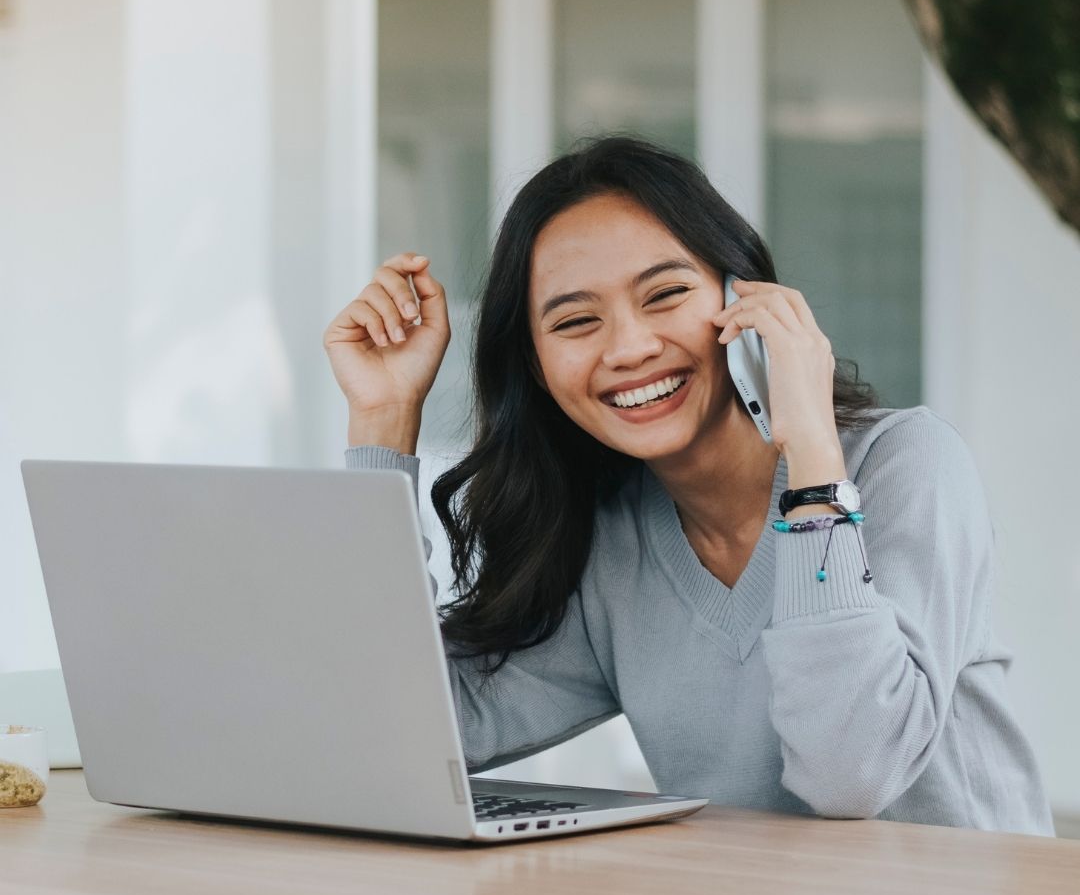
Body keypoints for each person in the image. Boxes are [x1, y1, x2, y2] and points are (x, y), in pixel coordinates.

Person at [323, 136, 1053, 835]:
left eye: (665, 294)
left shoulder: (907, 465)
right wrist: (384, 423)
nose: (631, 348)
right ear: (538, 368)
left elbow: (851, 772)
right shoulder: (612, 543)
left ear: (745, 299)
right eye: (577, 320)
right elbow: (399, 730)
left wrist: (812, 460)